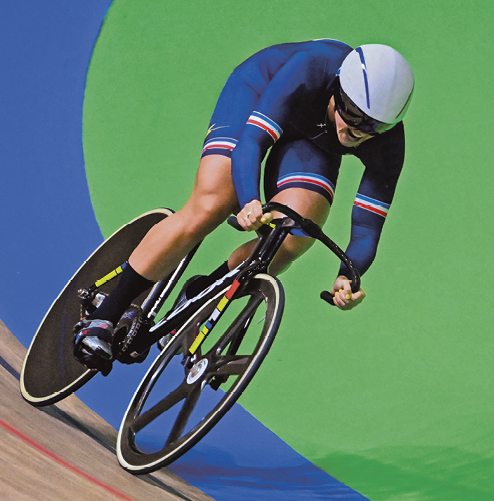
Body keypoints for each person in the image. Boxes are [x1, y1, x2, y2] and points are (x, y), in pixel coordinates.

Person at [73, 39, 414, 371]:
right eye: (352, 113)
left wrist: (348, 275)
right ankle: (105, 316)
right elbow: (252, 142)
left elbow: (368, 226)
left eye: (373, 125)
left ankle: (201, 294)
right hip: (258, 93)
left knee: (292, 235)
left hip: (312, 140)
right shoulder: (310, 66)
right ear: (338, 88)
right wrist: (250, 199)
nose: (355, 130)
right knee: (214, 203)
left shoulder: (387, 144)